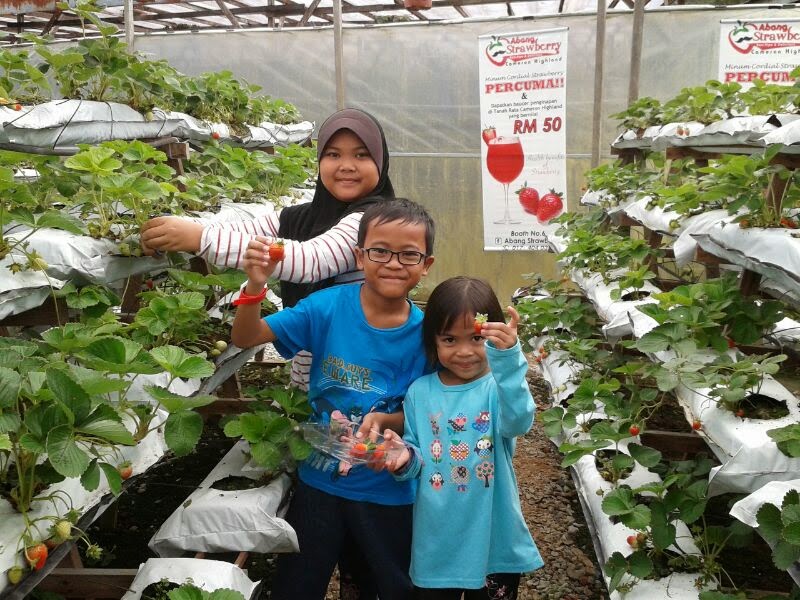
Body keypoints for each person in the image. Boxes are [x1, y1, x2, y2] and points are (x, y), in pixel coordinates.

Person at [231, 198, 436, 600]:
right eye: (380, 251)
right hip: (319, 483)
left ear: (426, 264)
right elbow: (245, 337)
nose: (393, 263)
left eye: (409, 254)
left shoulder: (427, 336)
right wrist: (255, 285)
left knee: (386, 585)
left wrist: (387, 423)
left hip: (388, 490)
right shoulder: (326, 307)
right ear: (360, 256)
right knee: (297, 586)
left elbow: (430, 412)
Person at [140, 107, 395, 390]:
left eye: (361, 155)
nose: (346, 165)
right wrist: (174, 227)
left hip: (362, 379)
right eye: (333, 155)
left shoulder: (377, 220)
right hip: (312, 370)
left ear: (380, 161)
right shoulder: (304, 217)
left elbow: (312, 260)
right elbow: (246, 228)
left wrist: (200, 238)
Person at [383, 276, 543, 599]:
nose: (465, 351)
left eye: (477, 337)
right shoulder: (420, 393)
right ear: (432, 340)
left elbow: (519, 421)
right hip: (437, 543)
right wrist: (404, 458)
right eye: (449, 339)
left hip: (494, 544)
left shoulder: (497, 389)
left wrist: (509, 360)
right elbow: (417, 457)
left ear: (492, 334)